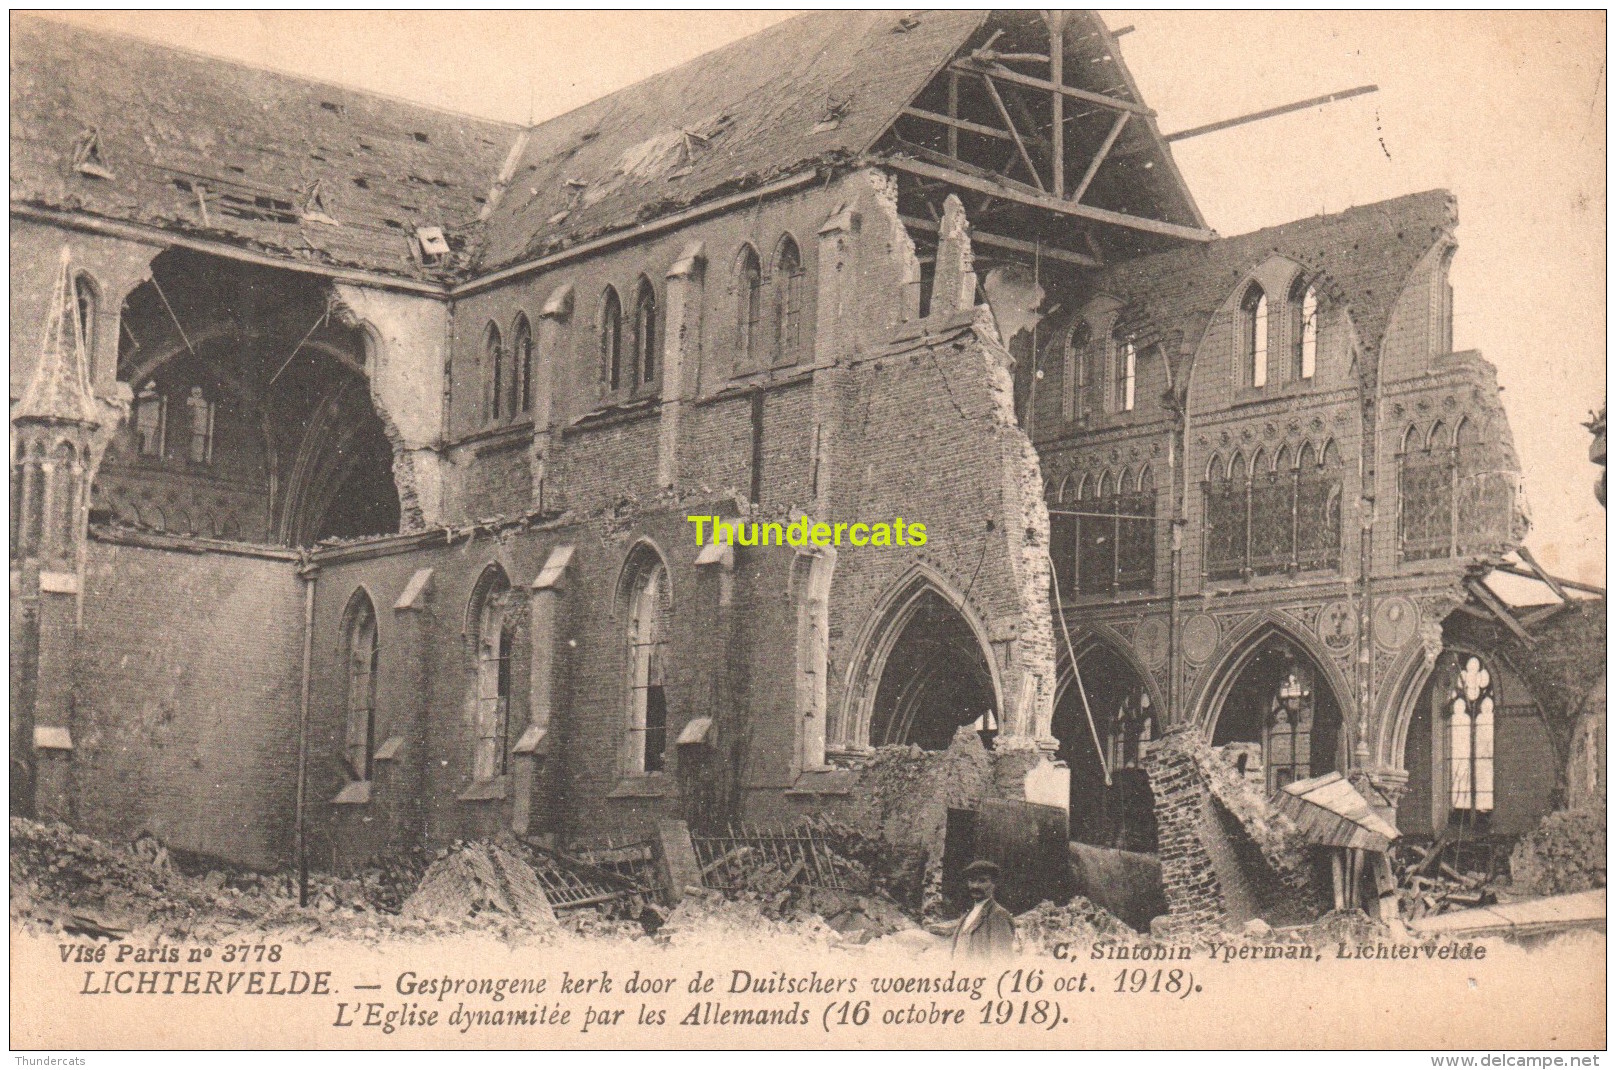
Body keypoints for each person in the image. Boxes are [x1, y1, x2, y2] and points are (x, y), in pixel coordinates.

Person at [950, 859, 1016, 959]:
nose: (975, 886)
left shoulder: (998, 915)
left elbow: (1002, 960)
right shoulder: (967, 915)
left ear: (994, 884)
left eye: (982, 881)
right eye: (972, 880)